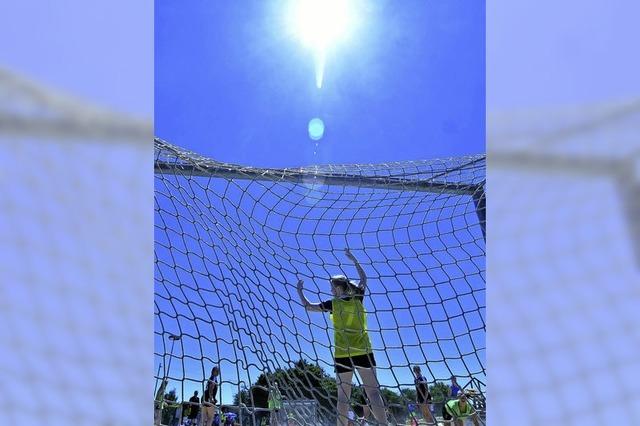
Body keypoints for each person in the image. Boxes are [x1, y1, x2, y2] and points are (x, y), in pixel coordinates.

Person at [297, 248, 386, 426]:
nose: (330, 290)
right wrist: (354, 260)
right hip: (363, 350)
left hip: (342, 353)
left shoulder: (333, 304)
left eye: (332, 287)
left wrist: (300, 291)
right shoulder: (358, 298)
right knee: (373, 393)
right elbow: (364, 278)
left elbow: (308, 306)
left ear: (338, 288)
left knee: (343, 396)